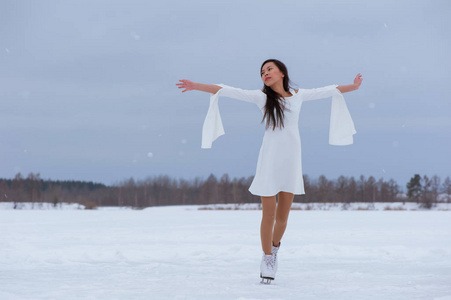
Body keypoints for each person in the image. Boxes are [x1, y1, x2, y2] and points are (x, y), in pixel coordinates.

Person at [176, 59, 363, 284]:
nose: (265, 73)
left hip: (292, 161)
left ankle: (274, 250)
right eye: (262, 71)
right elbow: (226, 90)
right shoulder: (262, 98)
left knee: (283, 217)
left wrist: (352, 87)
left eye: (269, 69)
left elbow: (327, 90)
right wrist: (196, 85)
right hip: (269, 161)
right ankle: (266, 258)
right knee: (269, 215)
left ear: (282, 72)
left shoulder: (298, 95)